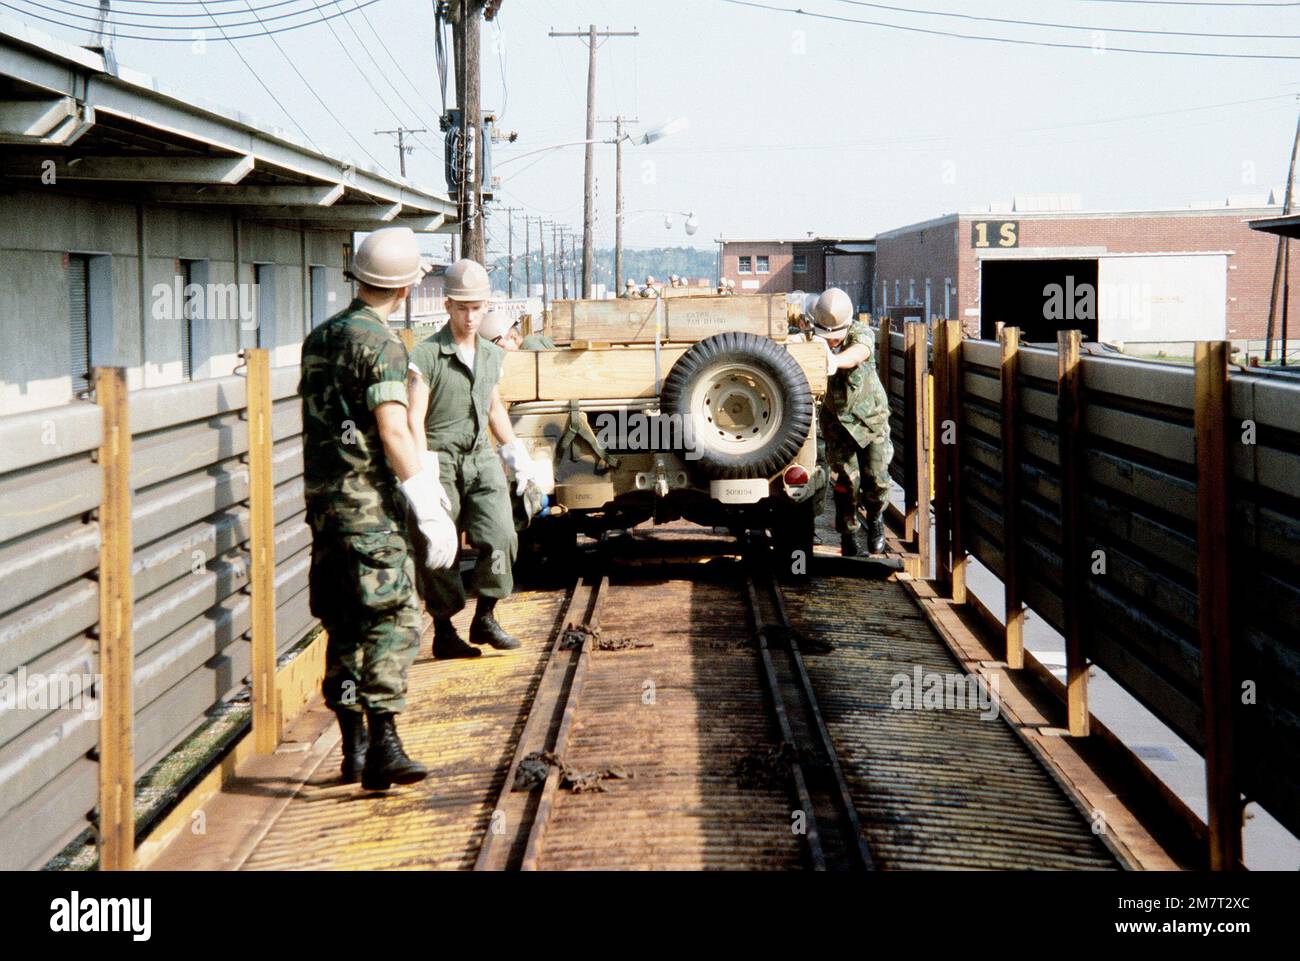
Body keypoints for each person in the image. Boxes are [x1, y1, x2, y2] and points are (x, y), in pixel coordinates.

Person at [299, 226, 458, 790]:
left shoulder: (319, 338)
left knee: (343, 625)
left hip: (325, 513)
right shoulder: (385, 345)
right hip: (370, 510)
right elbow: (392, 430)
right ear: (407, 287)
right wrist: (428, 505)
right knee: (393, 618)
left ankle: (353, 750)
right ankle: (386, 743)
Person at [407, 259, 545, 658]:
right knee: (440, 544)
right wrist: (423, 473)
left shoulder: (490, 354)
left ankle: (485, 615)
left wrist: (514, 452)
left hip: (480, 456)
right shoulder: (427, 355)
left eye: (477, 307)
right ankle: (445, 627)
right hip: (439, 457)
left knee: (502, 535)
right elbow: (414, 417)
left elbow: (493, 406)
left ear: (487, 307)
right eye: (463, 307)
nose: (470, 317)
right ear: (448, 306)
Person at [812, 288, 893, 556]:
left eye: (836, 338)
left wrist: (835, 361)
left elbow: (859, 352)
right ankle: (848, 533)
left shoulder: (860, 333)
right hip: (837, 424)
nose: (832, 341)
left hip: (870, 420)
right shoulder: (813, 340)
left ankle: (875, 516)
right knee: (846, 482)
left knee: (877, 479)